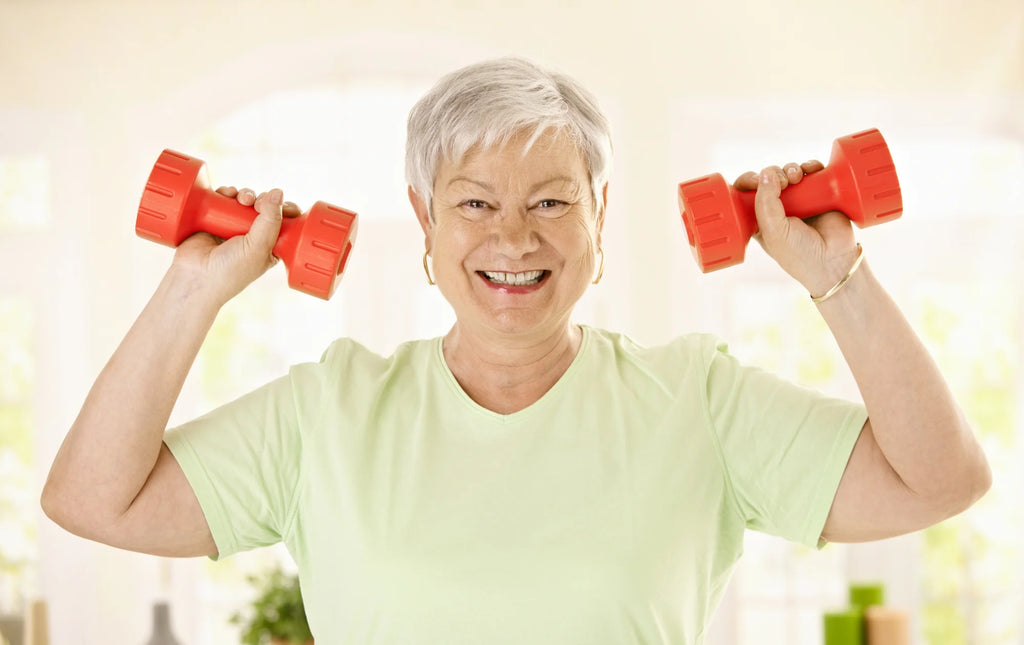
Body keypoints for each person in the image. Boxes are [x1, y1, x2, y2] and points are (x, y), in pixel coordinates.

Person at [42, 57, 991, 644]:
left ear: (599, 215)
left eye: (549, 201)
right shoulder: (326, 413)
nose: (514, 238)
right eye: (473, 203)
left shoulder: (696, 400)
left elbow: (939, 479)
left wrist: (838, 271)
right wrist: (195, 281)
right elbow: (91, 498)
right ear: (423, 218)